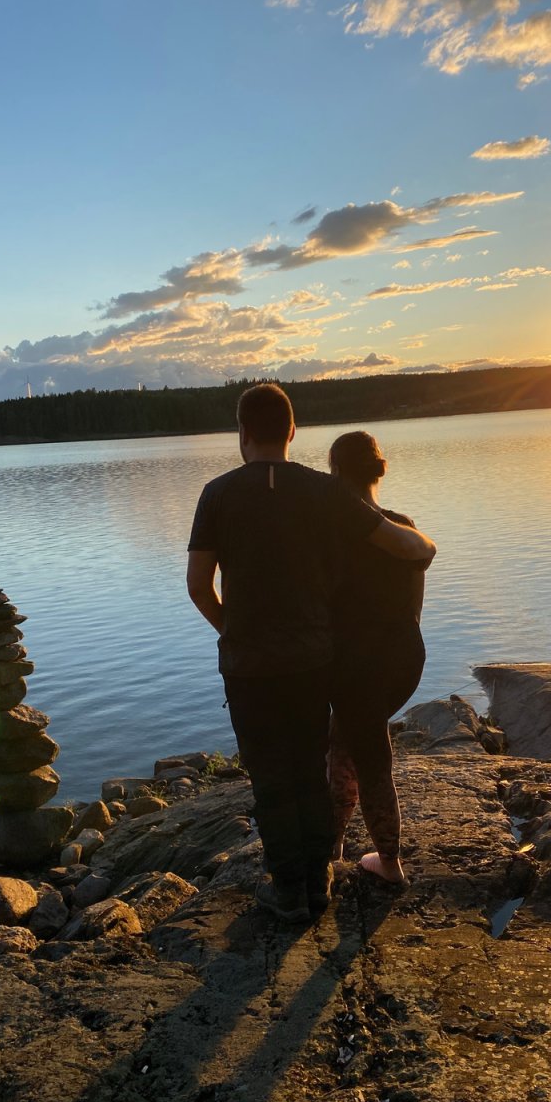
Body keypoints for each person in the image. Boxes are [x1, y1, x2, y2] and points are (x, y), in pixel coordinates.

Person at [186, 384, 436, 923]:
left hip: (249, 665)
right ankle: (319, 882)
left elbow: (199, 586)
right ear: (292, 431)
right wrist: (425, 546)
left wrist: (236, 630)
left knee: (270, 776)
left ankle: (288, 893)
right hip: (313, 659)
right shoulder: (325, 492)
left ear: (242, 433)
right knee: (307, 767)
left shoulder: (216, 493)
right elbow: (405, 547)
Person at [327, 431, 427, 885]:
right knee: (346, 738)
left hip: (356, 661)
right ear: (379, 470)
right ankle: (336, 845)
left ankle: (389, 863)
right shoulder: (403, 527)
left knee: (368, 753)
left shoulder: (331, 534)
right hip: (405, 656)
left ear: (335, 473)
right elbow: (415, 609)